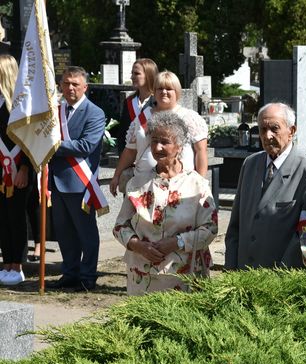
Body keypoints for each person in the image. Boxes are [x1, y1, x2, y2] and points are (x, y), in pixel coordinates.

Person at [113, 111, 217, 295]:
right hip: (142, 276)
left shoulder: (196, 184)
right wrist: (138, 245)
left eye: (165, 142)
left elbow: (210, 229)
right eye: (154, 141)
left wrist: (177, 242)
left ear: (179, 146)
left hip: (185, 276)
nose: (158, 147)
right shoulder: (137, 183)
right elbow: (120, 226)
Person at [225, 102, 306, 269]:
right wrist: (230, 269)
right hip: (243, 275)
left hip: (281, 278)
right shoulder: (250, 164)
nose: (267, 135)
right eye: (262, 129)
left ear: (291, 131)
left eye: (274, 128)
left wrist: (280, 277)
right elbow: (235, 225)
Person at [47, 66, 106, 292]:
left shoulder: (94, 113)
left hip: (80, 183)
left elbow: (85, 145)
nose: (70, 88)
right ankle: (70, 272)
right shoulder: (56, 111)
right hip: (57, 181)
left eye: (75, 84)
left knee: (85, 232)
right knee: (64, 232)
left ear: (85, 87)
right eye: (66, 83)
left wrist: (53, 146)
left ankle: (88, 275)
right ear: (61, 85)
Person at [109, 71, 208, 196]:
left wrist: (201, 183)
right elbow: (130, 151)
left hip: (180, 186)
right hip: (143, 185)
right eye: (160, 88)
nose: (164, 92)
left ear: (176, 92)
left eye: (169, 88)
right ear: (154, 92)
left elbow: (201, 151)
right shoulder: (143, 117)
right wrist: (116, 175)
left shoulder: (189, 117)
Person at [0, 54, 34, 286]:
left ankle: (18, 264)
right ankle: (6, 261)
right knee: (2, 218)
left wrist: (24, 168)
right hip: (1, 171)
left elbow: (30, 141)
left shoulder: (21, 106)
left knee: (17, 217)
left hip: (19, 170)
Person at [112, 58, 158, 154]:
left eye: (136, 73)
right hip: (129, 158)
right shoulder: (128, 102)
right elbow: (122, 134)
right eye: (132, 73)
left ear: (149, 76)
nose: (132, 77)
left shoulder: (157, 102)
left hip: (150, 156)